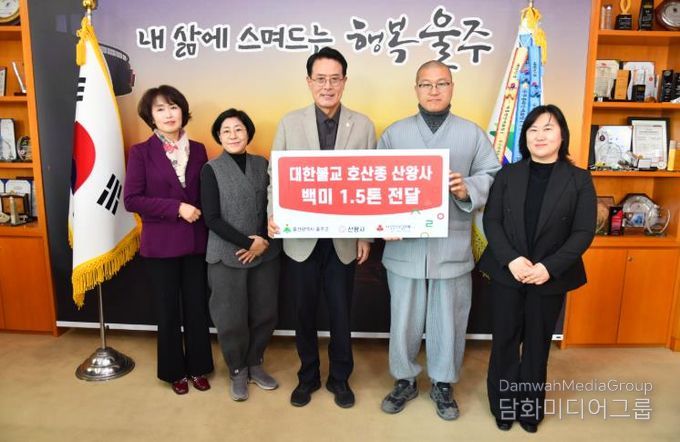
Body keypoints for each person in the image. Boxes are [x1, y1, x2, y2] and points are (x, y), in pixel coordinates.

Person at [378, 60, 501, 421]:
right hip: (405, 245)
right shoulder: (395, 134)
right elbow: (375, 181)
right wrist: (382, 222)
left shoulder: (471, 133)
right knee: (403, 317)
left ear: (452, 88)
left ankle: (443, 383)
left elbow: (493, 175)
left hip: (452, 244)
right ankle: (404, 379)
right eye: (426, 84)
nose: (434, 91)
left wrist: (467, 188)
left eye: (441, 83)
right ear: (416, 89)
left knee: (449, 318)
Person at [267, 47, 376, 408]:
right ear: (309, 81)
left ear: (344, 81)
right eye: (320, 79)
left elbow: (369, 183)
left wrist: (365, 235)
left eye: (334, 79)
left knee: (341, 312)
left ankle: (340, 378)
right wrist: (273, 215)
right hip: (301, 238)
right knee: (304, 312)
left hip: (343, 238)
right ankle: (308, 376)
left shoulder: (363, 125)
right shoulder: (290, 122)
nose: (327, 86)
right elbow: (275, 177)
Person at [479, 104, 596, 433]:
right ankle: (503, 406)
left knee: (537, 345)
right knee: (504, 341)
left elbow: (583, 231)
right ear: (525, 137)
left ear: (562, 136)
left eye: (548, 128)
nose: (540, 136)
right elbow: (492, 221)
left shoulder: (579, 179)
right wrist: (512, 259)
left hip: (549, 277)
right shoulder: (508, 175)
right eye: (533, 129)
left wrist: (548, 267)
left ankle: (529, 409)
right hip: (508, 272)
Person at [124, 85, 214, 395]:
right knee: (167, 311)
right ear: (151, 116)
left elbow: (205, 194)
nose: (168, 114)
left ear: (182, 111)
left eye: (173, 107)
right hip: (161, 244)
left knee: (197, 307)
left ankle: (199, 367)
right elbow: (132, 199)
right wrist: (176, 208)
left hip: (195, 242)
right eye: (160, 109)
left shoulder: (199, 149)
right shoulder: (140, 152)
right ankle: (174, 372)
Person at [200, 108, 281, 401]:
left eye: (239, 129)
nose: (233, 135)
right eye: (226, 131)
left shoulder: (263, 164)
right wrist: (247, 243)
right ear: (218, 137)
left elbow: (273, 204)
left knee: (265, 312)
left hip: (264, 253)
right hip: (226, 254)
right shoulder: (211, 169)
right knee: (230, 317)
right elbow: (211, 217)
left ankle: (255, 363)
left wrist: (260, 241)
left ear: (248, 133)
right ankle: (237, 369)